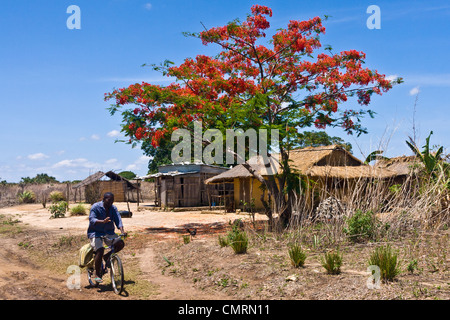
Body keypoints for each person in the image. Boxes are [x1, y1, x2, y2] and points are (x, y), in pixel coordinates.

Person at [87, 192, 126, 283]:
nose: (111, 202)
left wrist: (122, 231)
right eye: (109, 200)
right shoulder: (95, 207)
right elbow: (92, 219)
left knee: (120, 243)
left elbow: (118, 219)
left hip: (109, 232)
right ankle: (97, 274)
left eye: (112, 200)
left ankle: (106, 257)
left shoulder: (113, 208)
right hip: (95, 233)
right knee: (100, 250)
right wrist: (102, 221)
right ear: (104, 199)